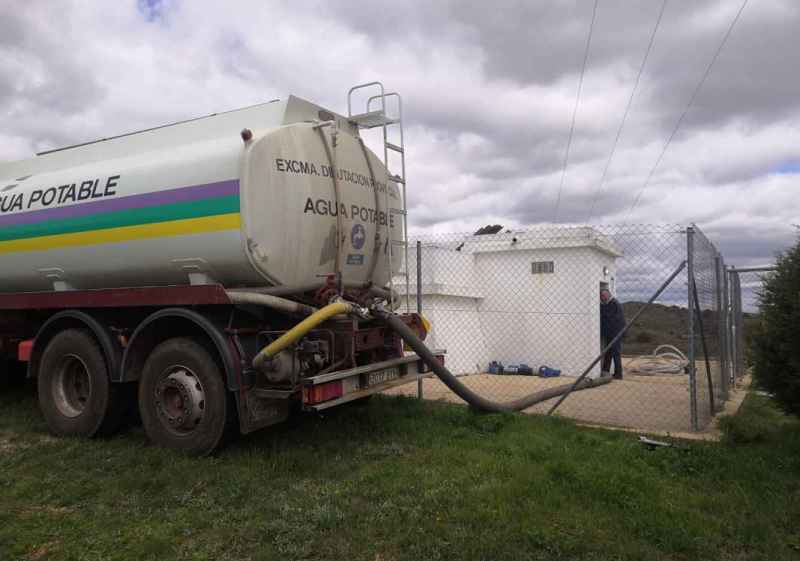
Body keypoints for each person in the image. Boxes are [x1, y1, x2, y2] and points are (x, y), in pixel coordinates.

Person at [600, 288, 625, 379]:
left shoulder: (613, 304)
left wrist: (600, 307)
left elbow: (608, 316)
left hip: (614, 333)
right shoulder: (614, 303)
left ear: (607, 295)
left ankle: (618, 374)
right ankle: (606, 371)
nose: (601, 298)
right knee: (609, 352)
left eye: (602, 296)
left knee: (615, 353)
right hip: (613, 333)